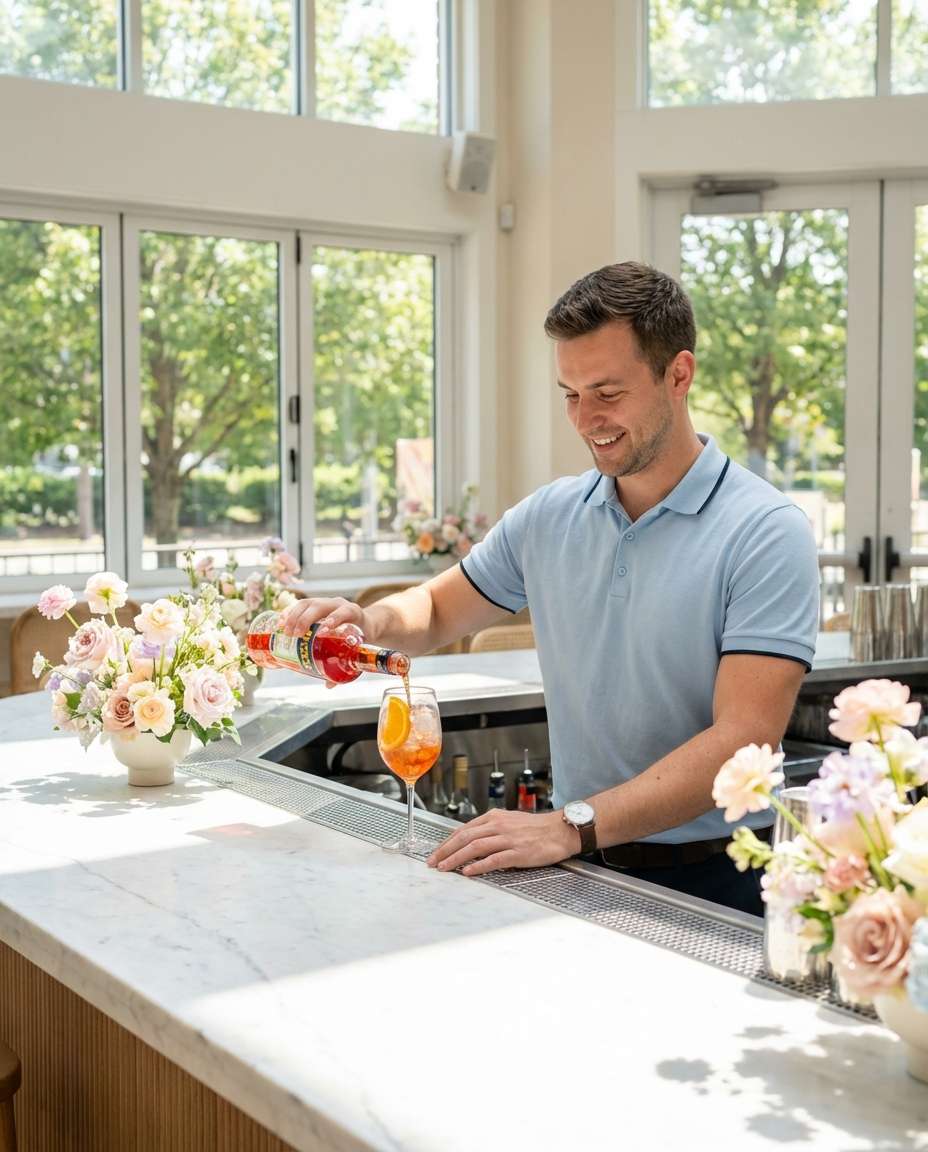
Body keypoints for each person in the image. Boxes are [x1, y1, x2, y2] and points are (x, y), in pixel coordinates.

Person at [280, 261, 820, 917]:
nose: (586, 418)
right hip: (582, 869)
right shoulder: (549, 516)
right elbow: (436, 608)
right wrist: (368, 621)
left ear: (679, 374)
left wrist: (569, 824)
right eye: (569, 393)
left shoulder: (766, 531)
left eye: (607, 392)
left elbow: (743, 741)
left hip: (722, 881)